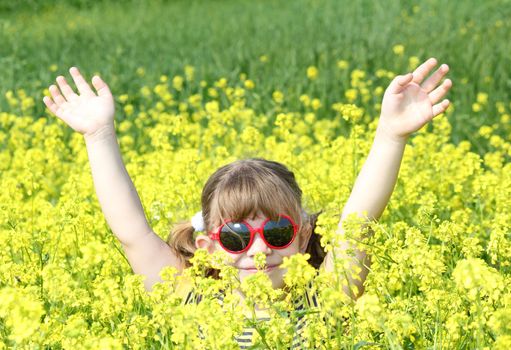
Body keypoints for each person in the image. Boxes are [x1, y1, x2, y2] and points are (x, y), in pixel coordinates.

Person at [42, 57, 452, 347]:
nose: (258, 249)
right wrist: (98, 136)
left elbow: (358, 223)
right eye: (237, 237)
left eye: (277, 232)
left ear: (303, 233)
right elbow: (132, 234)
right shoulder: (198, 308)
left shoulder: (322, 302)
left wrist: (391, 136)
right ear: (208, 247)